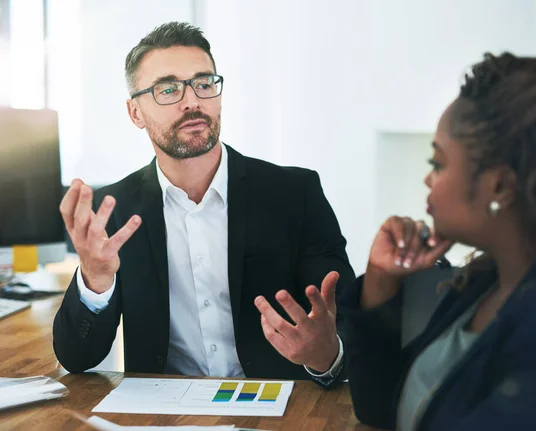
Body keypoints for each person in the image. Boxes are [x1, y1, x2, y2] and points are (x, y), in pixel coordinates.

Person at [53, 22, 355, 386]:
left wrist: (326, 356)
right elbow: (76, 358)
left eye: (204, 83)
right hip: (164, 415)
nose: (192, 101)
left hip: (278, 409)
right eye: (168, 89)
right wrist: (95, 279)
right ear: (135, 113)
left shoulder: (295, 193)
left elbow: (346, 321)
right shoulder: (114, 210)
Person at [340, 53, 536, 430]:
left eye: (438, 164)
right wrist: (381, 278)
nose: (429, 180)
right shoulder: (484, 282)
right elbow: (381, 407)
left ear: (499, 186)